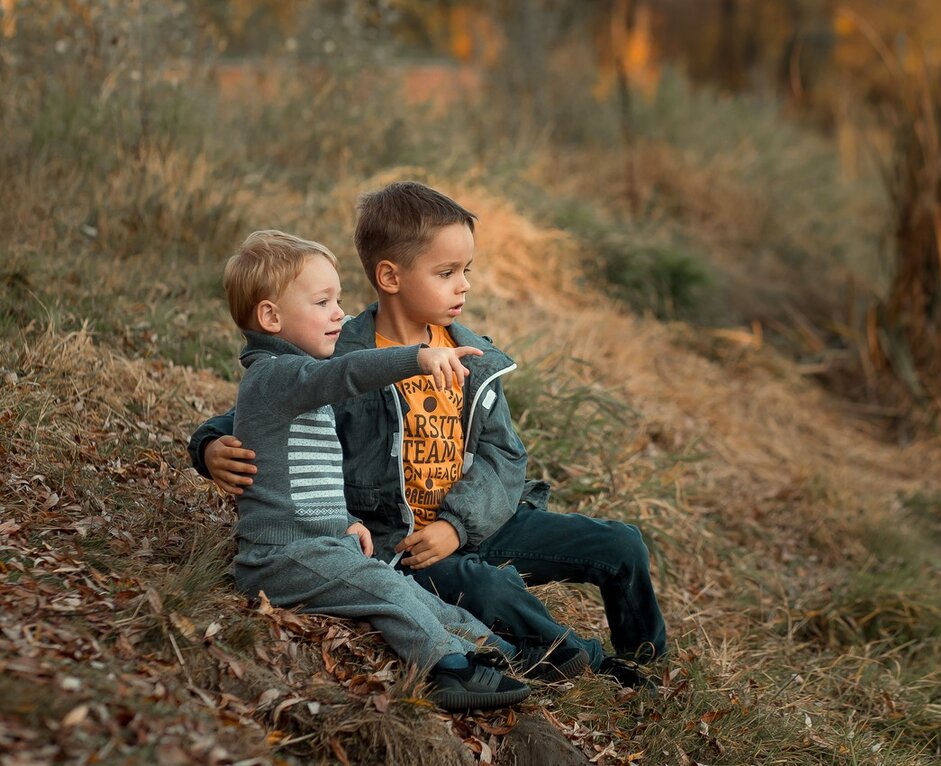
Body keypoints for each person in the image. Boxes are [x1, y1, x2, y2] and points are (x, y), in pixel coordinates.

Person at [190, 183, 666, 687]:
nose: (463, 287)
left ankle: (646, 656)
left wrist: (458, 527)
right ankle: (589, 663)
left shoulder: (472, 357)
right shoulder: (336, 351)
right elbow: (260, 407)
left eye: (466, 272)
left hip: (476, 521)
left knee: (621, 545)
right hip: (406, 542)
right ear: (390, 276)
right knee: (491, 589)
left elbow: (503, 456)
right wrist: (209, 446)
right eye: (446, 273)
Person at [214, 229, 576, 712]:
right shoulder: (276, 375)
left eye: (338, 299)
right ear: (270, 317)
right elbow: (345, 373)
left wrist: (343, 520)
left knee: (415, 594)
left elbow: (299, 477)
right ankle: (447, 670)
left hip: (320, 543)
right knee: (386, 589)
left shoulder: (299, 384)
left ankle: (499, 654)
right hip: (279, 557)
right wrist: (416, 358)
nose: (340, 313)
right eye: (323, 302)